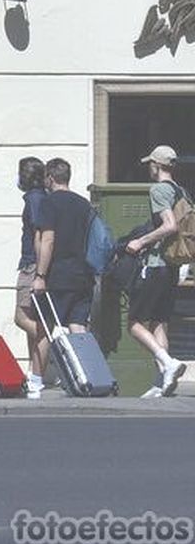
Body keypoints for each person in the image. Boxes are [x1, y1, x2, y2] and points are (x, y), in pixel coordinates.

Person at [123, 145, 190, 397]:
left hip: (156, 264)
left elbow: (170, 226)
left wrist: (141, 242)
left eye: (150, 163)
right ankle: (161, 382)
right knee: (159, 322)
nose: (149, 168)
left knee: (134, 323)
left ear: (157, 165)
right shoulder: (180, 190)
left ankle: (169, 363)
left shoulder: (159, 189)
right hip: (172, 267)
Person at [31, 157, 93, 386]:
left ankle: (36, 381)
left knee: (45, 327)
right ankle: (87, 376)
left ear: (50, 178)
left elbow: (47, 240)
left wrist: (40, 276)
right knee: (78, 325)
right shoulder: (83, 204)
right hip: (84, 274)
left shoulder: (50, 203)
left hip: (59, 275)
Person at [12, 156, 49, 397]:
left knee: (22, 318)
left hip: (31, 266)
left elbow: (40, 234)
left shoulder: (35, 199)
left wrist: (38, 272)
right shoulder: (40, 197)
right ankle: (33, 373)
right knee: (32, 324)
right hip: (31, 264)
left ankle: (38, 375)